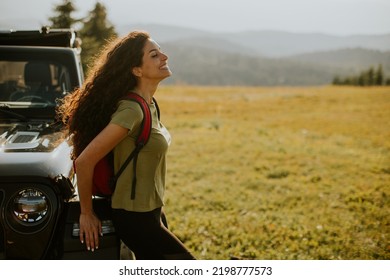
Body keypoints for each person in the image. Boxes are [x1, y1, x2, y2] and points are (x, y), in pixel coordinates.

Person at [57, 30, 195, 260]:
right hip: (134, 217)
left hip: (152, 211)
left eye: (160, 51)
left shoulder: (149, 104)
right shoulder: (131, 111)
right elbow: (84, 161)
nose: (164, 57)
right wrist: (86, 213)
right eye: (154, 55)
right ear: (137, 70)